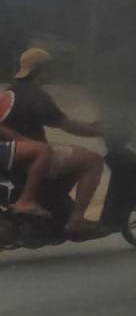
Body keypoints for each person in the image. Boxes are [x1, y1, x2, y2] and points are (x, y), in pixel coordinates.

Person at [0, 49, 105, 233]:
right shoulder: (35, 95)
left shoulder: (11, 91)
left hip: (15, 153)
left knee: (74, 155)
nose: (53, 72)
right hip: (32, 156)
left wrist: (91, 126)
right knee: (93, 160)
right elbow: (67, 125)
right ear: (40, 70)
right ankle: (77, 220)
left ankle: (54, 202)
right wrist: (101, 132)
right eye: (50, 68)